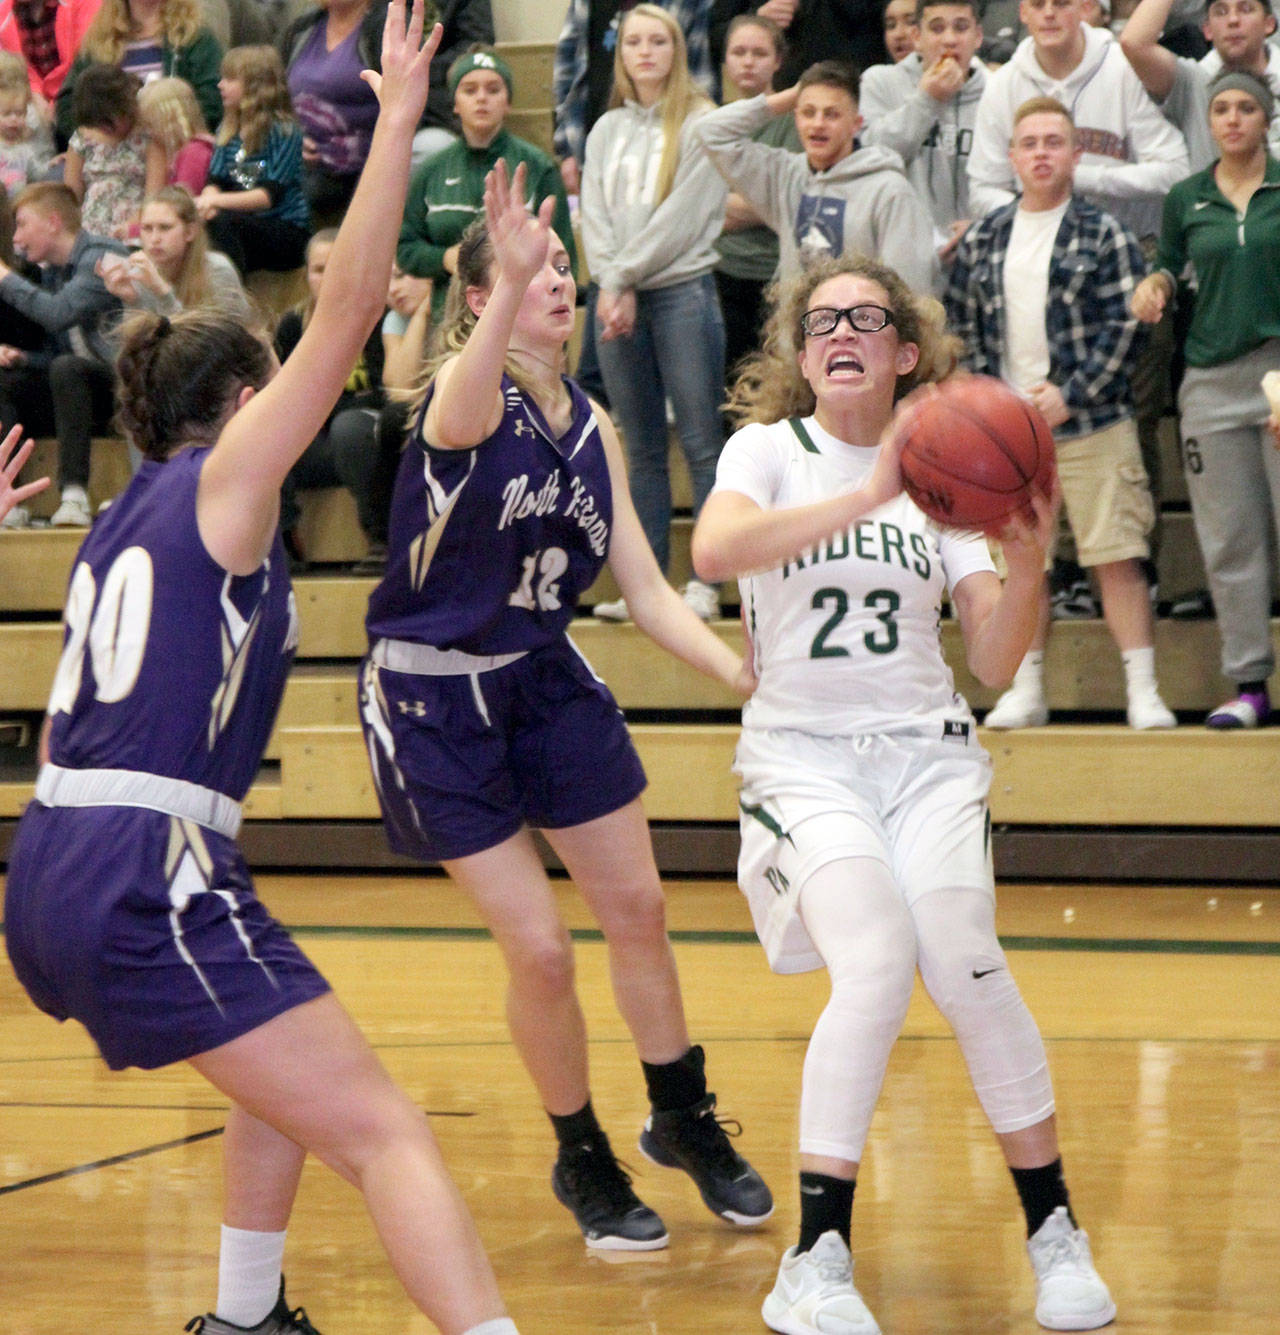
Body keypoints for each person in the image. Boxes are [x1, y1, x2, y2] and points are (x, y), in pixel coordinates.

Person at [4, 12, 531, 1335]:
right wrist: (397, 119)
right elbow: (351, 309)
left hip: (63, 854)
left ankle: (244, 1318)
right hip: (143, 865)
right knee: (387, 1131)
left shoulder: (126, 512)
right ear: (245, 401)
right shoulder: (229, 482)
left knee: (281, 1059)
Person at [690, 251, 1116, 1335]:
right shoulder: (767, 452)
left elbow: (989, 659)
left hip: (926, 755)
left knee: (966, 964)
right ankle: (814, 1261)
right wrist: (866, 492)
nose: (840, 330)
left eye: (865, 317)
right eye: (820, 317)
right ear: (798, 349)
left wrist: (1025, 563)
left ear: (904, 350)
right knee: (875, 962)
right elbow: (715, 545)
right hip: (801, 758)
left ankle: (1054, 1236)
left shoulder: (943, 475)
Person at [360, 157, 773, 1253]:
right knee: (539, 949)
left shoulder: (588, 422)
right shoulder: (458, 401)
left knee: (637, 907)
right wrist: (502, 280)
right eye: (531, 271)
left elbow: (642, 590)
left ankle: (679, 1114)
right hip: (433, 701)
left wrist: (742, 674)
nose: (555, 282)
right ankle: (578, 1152)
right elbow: (470, 370)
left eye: (562, 270)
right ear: (482, 295)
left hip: (541, 679)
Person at [947, 97, 1175, 730]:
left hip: (1095, 422)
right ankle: (1026, 688)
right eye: (1030, 143)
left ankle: (1143, 690)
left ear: (1076, 154)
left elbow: (1126, 326)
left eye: (1055, 141)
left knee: (1117, 555)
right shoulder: (985, 238)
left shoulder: (1104, 233)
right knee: (1022, 566)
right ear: (1013, 156)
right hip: (1008, 438)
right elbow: (961, 333)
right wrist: (994, 406)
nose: (1042, 153)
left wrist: (1070, 393)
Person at [1131, 70, 1280, 727]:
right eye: (1221, 108)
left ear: (1266, 118)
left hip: (1278, 372)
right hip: (1210, 384)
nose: (1233, 118)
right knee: (1230, 542)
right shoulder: (1187, 196)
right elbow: (1168, 259)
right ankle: (1250, 686)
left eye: (1246, 107)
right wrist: (1155, 284)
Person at [579, 3, 729, 622]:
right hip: (616, 299)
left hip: (682, 293)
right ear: (621, 54)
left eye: (657, 42)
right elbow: (593, 211)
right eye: (634, 42)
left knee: (700, 441)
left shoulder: (702, 121)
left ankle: (707, 580)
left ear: (676, 50)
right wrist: (612, 283)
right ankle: (647, 588)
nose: (645, 52)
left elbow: (681, 219)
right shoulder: (605, 129)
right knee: (637, 446)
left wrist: (618, 277)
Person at [696, 58, 939, 291]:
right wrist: (791, 96)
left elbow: (910, 290)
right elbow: (710, 131)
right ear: (795, 117)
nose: (818, 124)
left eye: (831, 114)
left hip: (859, 332)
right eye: (808, 113)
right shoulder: (784, 175)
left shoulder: (890, 191)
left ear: (856, 124)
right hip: (798, 331)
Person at [397, 45, 575, 332]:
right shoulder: (431, 171)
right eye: (469, 90)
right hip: (450, 323)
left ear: (508, 101)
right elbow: (405, 247)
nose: (482, 98)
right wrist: (443, 258)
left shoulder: (538, 167)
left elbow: (565, 256)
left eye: (493, 89)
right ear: (454, 102)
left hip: (523, 322)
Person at [0, 181, 127, 528]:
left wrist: (4, 277)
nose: (15, 239)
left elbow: (60, 313)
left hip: (124, 388)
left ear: (53, 222)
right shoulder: (52, 273)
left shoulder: (102, 255)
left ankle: (74, 495)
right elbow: (55, 352)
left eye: (23, 224)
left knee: (69, 368)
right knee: (8, 378)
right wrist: (22, 358)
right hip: (77, 389)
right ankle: (7, 497)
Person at [276, 227, 386, 567]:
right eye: (319, 270)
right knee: (266, 435)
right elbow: (284, 399)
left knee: (348, 426)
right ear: (307, 274)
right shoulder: (293, 325)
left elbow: (386, 393)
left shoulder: (380, 317)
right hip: (316, 446)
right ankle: (284, 538)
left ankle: (380, 539)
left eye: (337, 266)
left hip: (365, 441)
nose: (328, 278)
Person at [860, 0, 988, 279]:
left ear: (978, 37)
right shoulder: (880, 82)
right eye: (937, 28)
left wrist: (985, 226)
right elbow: (871, 159)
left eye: (961, 27)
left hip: (978, 257)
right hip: (899, 262)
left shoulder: (997, 92)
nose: (950, 40)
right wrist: (927, 100)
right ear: (917, 37)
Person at [713, 12, 800, 380]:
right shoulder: (715, 124)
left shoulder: (795, 120)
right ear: (725, 60)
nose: (748, 61)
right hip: (722, 273)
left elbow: (791, 201)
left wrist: (721, 206)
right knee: (732, 387)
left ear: (778, 61)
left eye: (759, 53)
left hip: (779, 274)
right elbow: (695, 205)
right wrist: (756, 204)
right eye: (739, 52)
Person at [1119, 0, 1280, 170]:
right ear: (1207, 30)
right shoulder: (1193, 82)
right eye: (1221, 12)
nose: (1233, 20)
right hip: (1211, 195)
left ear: (1269, 24)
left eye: (1246, 9)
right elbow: (1134, 43)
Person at [198, 44, 310, 273]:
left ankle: (229, 293)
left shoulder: (284, 131)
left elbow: (267, 197)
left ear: (255, 86)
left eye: (230, 79)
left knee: (222, 222)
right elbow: (215, 182)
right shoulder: (227, 129)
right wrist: (207, 203)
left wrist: (213, 203)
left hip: (285, 229)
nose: (220, 85)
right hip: (239, 221)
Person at [56, 0, 224, 148]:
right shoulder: (99, 41)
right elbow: (67, 103)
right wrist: (91, 137)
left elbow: (212, 100)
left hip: (174, 149)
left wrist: (172, 131)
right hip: (109, 150)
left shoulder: (196, 37)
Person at [280, 0, 383, 221]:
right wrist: (290, 138)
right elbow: (272, 95)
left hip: (361, 170)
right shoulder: (302, 29)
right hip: (301, 164)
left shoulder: (383, 26)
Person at [97, 184, 253, 321]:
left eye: (165, 228)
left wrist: (163, 293)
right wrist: (132, 300)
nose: (154, 239)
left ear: (190, 232)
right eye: (147, 228)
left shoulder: (217, 270)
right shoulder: (141, 273)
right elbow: (140, 346)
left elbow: (209, 346)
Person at [64, 63, 168, 241]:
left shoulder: (149, 139)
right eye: (97, 124)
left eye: (109, 121)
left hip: (135, 229)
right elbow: (71, 197)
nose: (103, 129)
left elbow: (154, 197)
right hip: (90, 229)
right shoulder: (82, 140)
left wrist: (131, 226)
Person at [139, 74, 217, 192]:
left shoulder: (193, 153)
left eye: (151, 124)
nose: (149, 132)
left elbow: (184, 200)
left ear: (170, 121)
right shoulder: (183, 151)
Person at [0, 55, 54, 196]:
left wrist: (53, 164)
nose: (14, 119)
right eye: (7, 114)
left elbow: (38, 171)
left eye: (18, 114)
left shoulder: (25, 149)